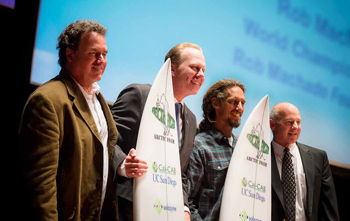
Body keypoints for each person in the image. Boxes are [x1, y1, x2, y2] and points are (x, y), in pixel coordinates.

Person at [18, 20, 147, 221]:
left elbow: (102, 152)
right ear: (70, 54)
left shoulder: (97, 98)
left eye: (104, 54)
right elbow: (41, 183)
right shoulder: (48, 100)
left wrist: (123, 166)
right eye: (94, 54)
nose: (101, 60)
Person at [110, 42, 206, 221]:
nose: (200, 75)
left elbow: (179, 172)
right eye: (195, 67)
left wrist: (184, 207)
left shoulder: (191, 120)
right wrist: (123, 165)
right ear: (172, 68)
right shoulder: (139, 94)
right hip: (126, 207)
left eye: (203, 70)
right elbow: (108, 140)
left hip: (166, 211)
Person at [187, 79, 246, 220]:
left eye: (243, 103)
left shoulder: (244, 148)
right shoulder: (199, 146)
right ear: (215, 103)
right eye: (233, 102)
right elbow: (185, 200)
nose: (239, 108)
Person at [269, 102, 340, 221]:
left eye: (298, 122)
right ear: (272, 125)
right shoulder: (260, 156)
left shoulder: (318, 157)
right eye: (289, 122)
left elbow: (328, 208)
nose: (295, 127)